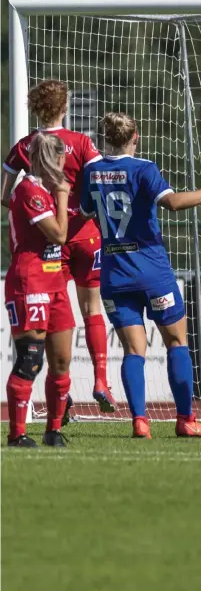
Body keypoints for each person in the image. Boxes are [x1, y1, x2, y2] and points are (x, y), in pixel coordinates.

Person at [80, 112, 201, 439]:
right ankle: (185, 420)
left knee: (133, 351)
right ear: (135, 136)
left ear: (104, 137)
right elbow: (175, 203)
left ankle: (140, 421)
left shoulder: (92, 172)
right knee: (177, 342)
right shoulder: (144, 169)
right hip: (152, 272)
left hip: (114, 275)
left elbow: (83, 212)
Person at [1, 80, 115, 413]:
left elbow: (4, 194)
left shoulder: (25, 145)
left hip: (50, 242)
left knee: (54, 319)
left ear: (35, 109)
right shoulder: (82, 142)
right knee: (92, 307)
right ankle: (101, 380)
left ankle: (59, 397)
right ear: (64, 107)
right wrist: (85, 210)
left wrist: (35, 213)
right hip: (85, 234)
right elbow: (99, 185)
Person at [5, 132, 75, 447]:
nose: (65, 167)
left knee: (61, 361)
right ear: (52, 160)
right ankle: (17, 434)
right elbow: (58, 235)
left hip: (54, 280)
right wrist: (63, 196)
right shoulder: (29, 191)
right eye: (61, 160)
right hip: (29, 281)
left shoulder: (45, 189)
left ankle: (53, 430)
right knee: (30, 359)